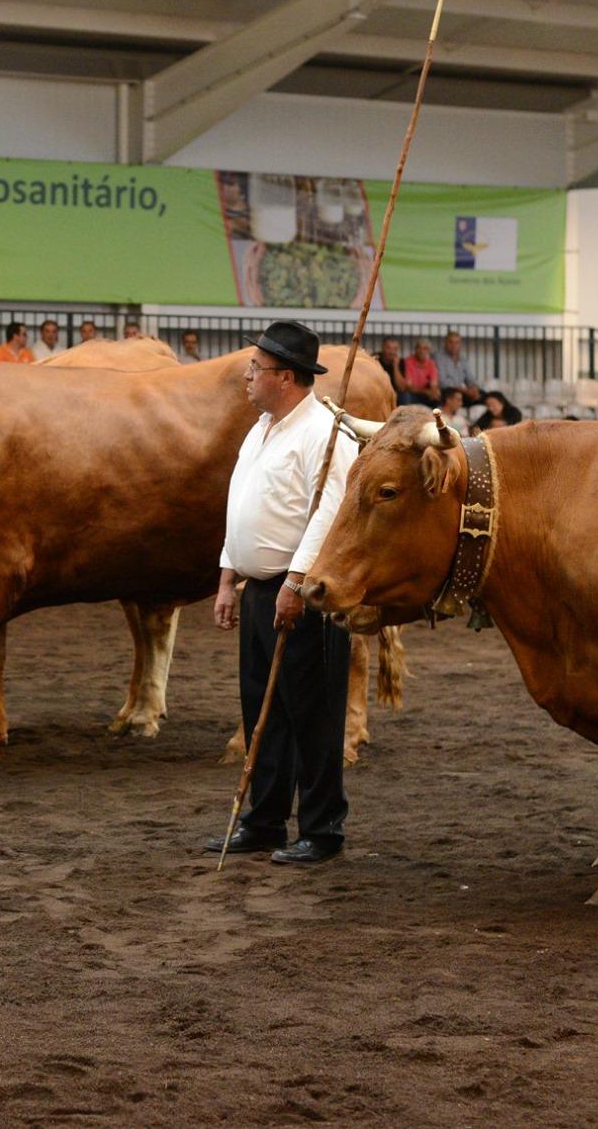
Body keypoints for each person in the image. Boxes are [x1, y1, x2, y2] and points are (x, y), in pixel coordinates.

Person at [206, 320, 356, 867]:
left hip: (305, 594)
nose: (247, 377)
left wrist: (295, 582)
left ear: (286, 378)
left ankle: (322, 828)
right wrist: (228, 577)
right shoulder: (263, 428)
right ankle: (265, 820)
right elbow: (239, 504)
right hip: (258, 591)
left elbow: (330, 514)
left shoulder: (325, 434)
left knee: (311, 713)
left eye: (257, 369)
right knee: (261, 710)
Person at [431, 330, 480, 405]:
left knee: (485, 395)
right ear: (445, 343)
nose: (454, 345)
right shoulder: (438, 357)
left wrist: (474, 388)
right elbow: (442, 382)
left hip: (461, 391)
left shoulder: (463, 359)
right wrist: (464, 390)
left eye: (457, 342)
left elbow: (470, 379)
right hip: (445, 391)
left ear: (460, 344)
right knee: (454, 395)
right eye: (450, 342)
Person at [400, 339, 439, 406]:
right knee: (405, 396)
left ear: (429, 351)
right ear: (415, 349)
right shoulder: (408, 361)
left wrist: (433, 392)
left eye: (425, 349)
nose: (422, 351)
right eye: (419, 348)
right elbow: (409, 387)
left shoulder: (431, 363)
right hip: (412, 393)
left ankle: (435, 416)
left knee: (437, 396)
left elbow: (434, 384)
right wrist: (426, 391)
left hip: (425, 394)